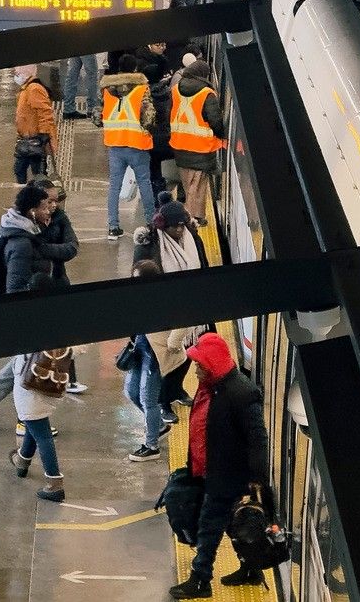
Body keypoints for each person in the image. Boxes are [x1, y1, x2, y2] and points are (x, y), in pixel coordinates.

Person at [169, 332, 270, 598]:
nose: (196, 369)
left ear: (213, 363)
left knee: (209, 527)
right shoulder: (210, 386)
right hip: (209, 471)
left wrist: (257, 479)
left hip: (227, 475)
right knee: (227, 523)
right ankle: (250, 568)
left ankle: (200, 580)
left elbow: (258, 439)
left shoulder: (242, 393)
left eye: (201, 364)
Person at [0, 186, 64, 432]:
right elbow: (15, 286)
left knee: (27, 360)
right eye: (44, 206)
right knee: (29, 362)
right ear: (31, 211)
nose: (49, 210)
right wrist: (27, 313)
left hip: (29, 308)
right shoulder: (21, 243)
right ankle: (25, 421)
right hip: (25, 311)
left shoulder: (23, 231)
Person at [133, 193, 207, 421]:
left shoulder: (192, 237)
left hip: (190, 304)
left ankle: (176, 390)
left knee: (187, 355)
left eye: (182, 225)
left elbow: (203, 265)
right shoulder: (149, 245)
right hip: (162, 311)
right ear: (163, 226)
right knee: (164, 359)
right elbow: (139, 277)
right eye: (174, 227)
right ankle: (163, 401)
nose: (179, 230)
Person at [30, 176, 88, 394]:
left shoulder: (60, 218)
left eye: (56, 201)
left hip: (58, 282)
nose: (54, 206)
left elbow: (71, 248)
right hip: (36, 288)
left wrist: (45, 250)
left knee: (65, 330)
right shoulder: (25, 224)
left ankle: (69, 380)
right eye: (49, 202)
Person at [100, 53, 156, 239]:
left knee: (114, 186)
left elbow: (98, 116)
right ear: (134, 69)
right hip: (137, 144)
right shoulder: (141, 89)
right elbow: (149, 116)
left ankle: (113, 227)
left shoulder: (107, 89)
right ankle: (151, 223)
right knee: (144, 183)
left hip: (115, 145)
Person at [9, 344, 73, 502]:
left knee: (42, 433)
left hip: (31, 380)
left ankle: (54, 483)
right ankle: (22, 460)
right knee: (35, 420)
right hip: (53, 380)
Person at [125, 259, 171, 461]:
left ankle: (151, 445)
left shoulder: (164, 299)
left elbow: (181, 324)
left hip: (154, 354)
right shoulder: (138, 298)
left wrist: (173, 344)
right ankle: (159, 426)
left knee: (148, 399)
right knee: (132, 392)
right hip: (139, 351)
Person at [170, 60, 223, 226]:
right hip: (200, 147)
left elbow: (169, 113)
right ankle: (192, 218)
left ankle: (195, 216)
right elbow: (215, 120)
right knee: (197, 185)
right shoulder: (207, 93)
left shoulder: (176, 90)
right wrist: (221, 134)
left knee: (188, 185)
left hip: (179, 144)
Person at [13, 65, 57, 184]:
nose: (15, 75)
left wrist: (44, 134)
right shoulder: (26, 88)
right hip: (26, 140)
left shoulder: (33, 89)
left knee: (37, 172)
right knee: (21, 170)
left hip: (35, 140)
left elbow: (45, 113)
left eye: (17, 73)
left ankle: (38, 196)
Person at [142, 62, 173, 206]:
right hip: (169, 141)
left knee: (153, 169)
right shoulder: (169, 94)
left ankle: (157, 198)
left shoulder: (144, 97)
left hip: (151, 142)